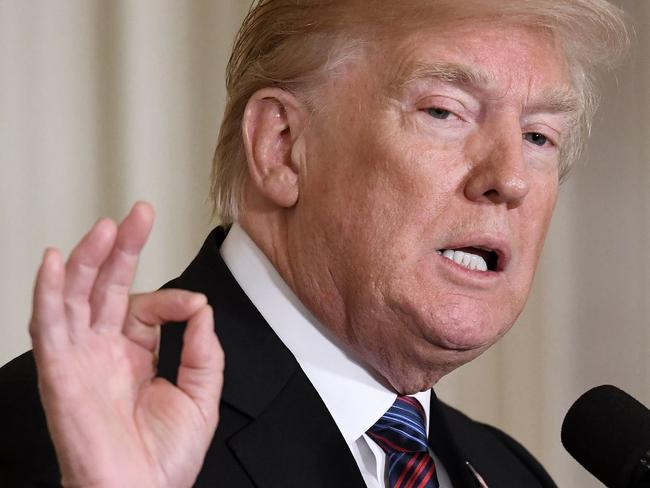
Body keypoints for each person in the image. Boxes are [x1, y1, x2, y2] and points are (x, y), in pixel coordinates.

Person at [0, 0, 630, 487]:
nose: (511, 178)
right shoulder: (73, 423)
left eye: (540, 136)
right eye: (445, 112)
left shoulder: (509, 472)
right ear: (282, 147)